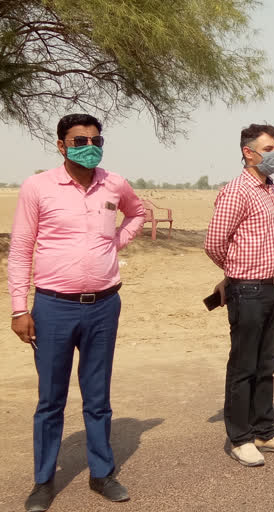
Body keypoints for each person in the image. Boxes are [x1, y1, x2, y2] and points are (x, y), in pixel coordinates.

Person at [8, 114, 145, 512]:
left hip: (104, 306)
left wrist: (115, 244)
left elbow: (137, 213)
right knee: (50, 399)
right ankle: (43, 482)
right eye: (80, 139)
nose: (90, 144)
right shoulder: (38, 187)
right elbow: (20, 250)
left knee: (98, 396)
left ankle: (102, 473)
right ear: (61, 144)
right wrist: (20, 308)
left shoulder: (114, 183)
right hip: (52, 307)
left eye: (96, 139)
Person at [204, 123, 274, 467]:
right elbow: (214, 242)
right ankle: (240, 437)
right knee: (244, 366)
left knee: (266, 363)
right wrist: (233, 275)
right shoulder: (237, 191)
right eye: (269, 148)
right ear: (249, 152)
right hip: (247, 289)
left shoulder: (271, 188)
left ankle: (265, 429)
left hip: (272, 288)